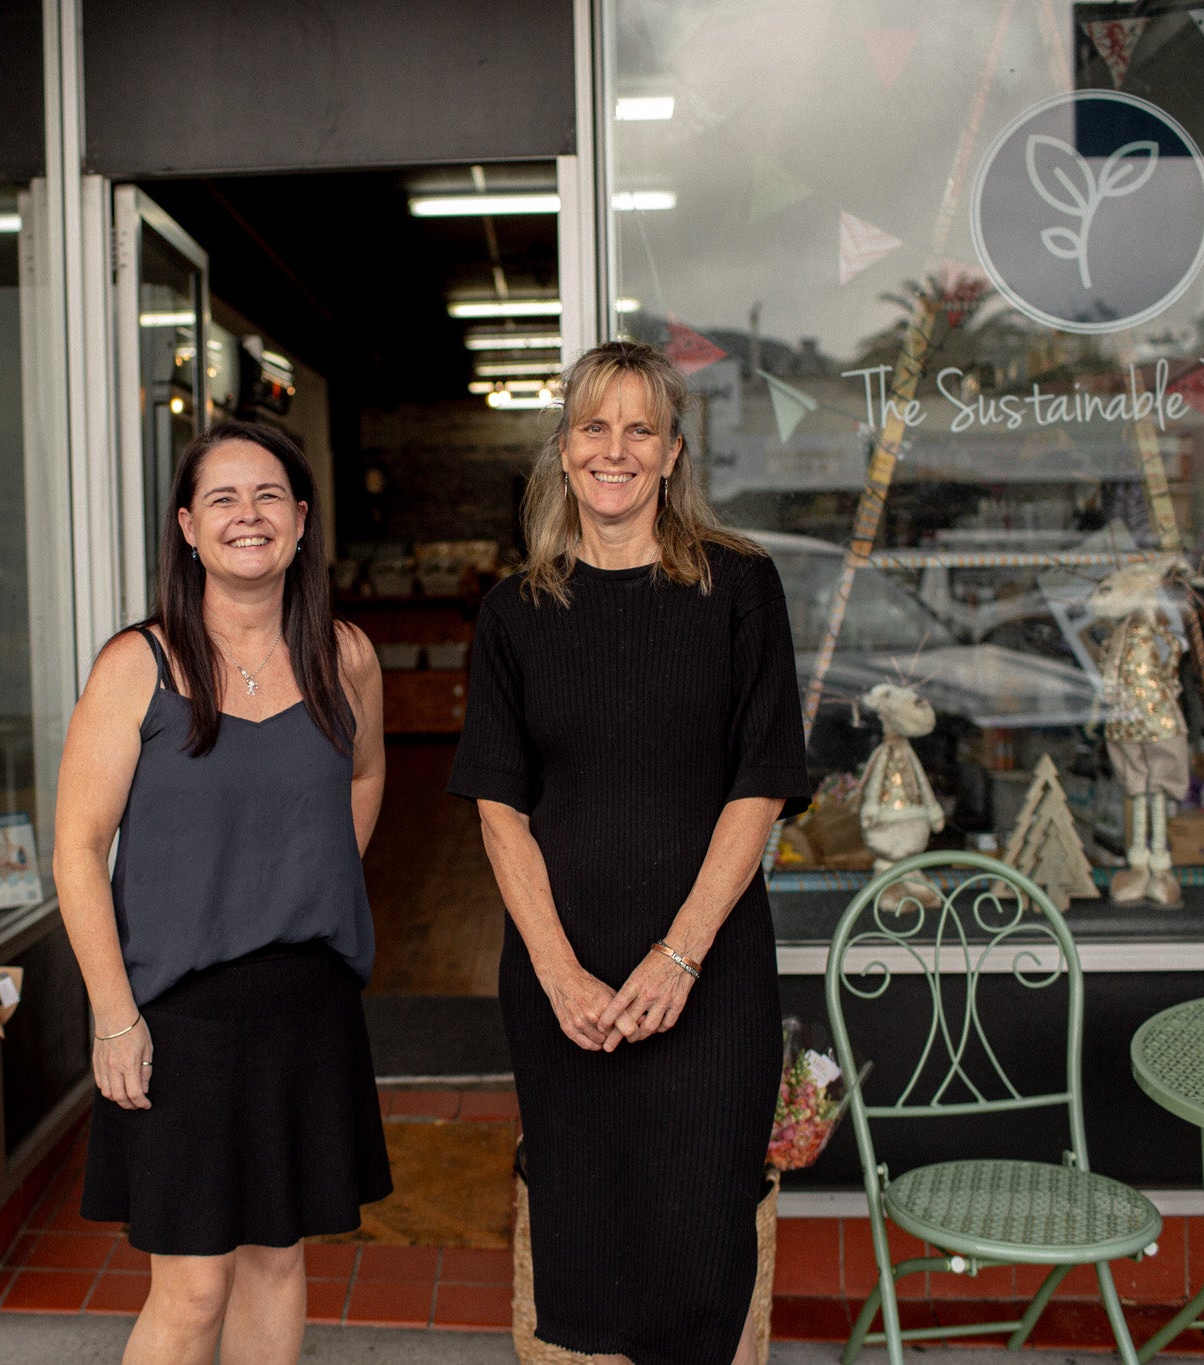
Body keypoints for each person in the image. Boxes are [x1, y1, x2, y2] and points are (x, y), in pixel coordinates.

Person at [449, 341, 810, 1365]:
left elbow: (761, 784)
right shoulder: (515, 612)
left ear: (671, 452)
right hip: (565, 988)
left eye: (638, 428)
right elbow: (497, 811)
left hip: (711, 975)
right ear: (564, 452)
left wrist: (679, 954)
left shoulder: (739, 589)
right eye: (593, 427)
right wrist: (560, 974)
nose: (615, 449)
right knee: (587, 1255)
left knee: (702, 1258)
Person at [55, 420, 392, 1365]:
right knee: (195, 1281)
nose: (249, 515)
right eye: (223, 499)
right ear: (189, 529)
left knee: (277, 1260)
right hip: (179, 1019)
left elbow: (364, 779)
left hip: (305, 1004)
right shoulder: (139, 666)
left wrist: (312, 877)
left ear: (301, 519)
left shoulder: (345, 657)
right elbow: (77, 850)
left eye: (270, 495)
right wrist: (114, 1016)